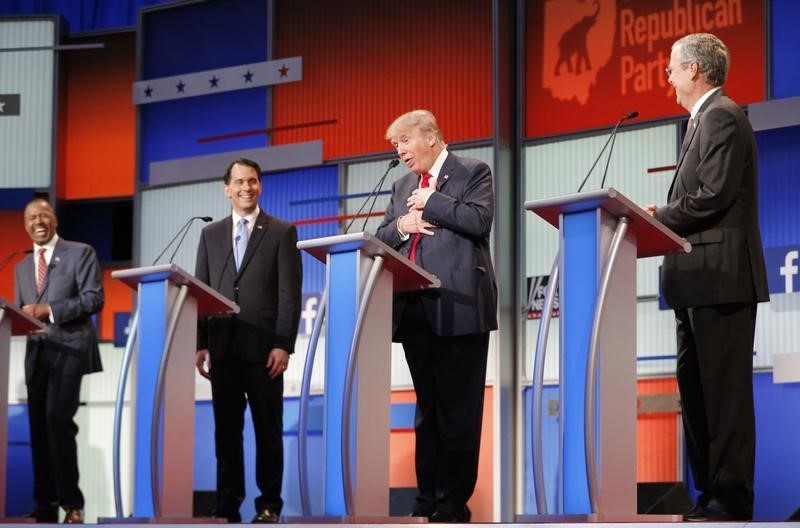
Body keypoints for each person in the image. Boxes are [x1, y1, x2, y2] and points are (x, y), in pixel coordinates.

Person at [644, 33, 769, 521]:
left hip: (721, 279)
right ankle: (710, 496)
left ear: (695, 70)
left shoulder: (722, 116)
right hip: (696, 280)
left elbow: (713, 195)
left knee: (723, 397)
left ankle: (730, 501)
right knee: (696, 396)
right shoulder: (701, 121)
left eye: (672, 68)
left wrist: (659, 218)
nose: (668, 77)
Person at [375, 110, 498, 522]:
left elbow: (479, 222)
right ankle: (426, 500)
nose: (400, 151)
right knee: (427, 411)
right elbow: (382, 237)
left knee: (459, 412)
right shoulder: (399, 185)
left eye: (405, 141)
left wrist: (433, 201)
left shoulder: (473, 172)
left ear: (431, 137)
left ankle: (451, 504)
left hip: (459, 305)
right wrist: (406, 224)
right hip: (413, 310)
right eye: (395, 145)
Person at [195, 158, 302, 523]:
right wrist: (200, 342)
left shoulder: (281, 231)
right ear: (226, 189)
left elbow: (290, 294)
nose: (246, 187)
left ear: (260, 186)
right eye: (239, 182)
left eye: (253, 181)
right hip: (223, 348)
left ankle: (269, 505)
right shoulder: (210, 235)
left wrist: (283, 344)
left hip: (264, 351)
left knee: (268, 433)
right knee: (227, 435)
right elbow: (202, 291)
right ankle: (227, 506)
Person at [14, 198, 104, 524]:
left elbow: (94, 298)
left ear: (54, 219)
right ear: (25, 226)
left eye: (43, 214)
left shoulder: (80, 252)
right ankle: (45, 505)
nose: (37, 221)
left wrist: (48, 310)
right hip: (36, 354)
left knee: (57, 421)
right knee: (39, 428)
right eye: (31, 218)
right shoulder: (21, 267)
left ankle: (73, 505)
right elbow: (21, 313)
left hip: (70, 349)